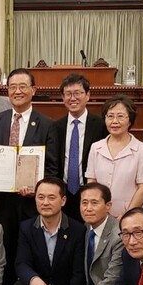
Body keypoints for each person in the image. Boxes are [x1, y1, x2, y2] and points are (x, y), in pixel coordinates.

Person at [0, 67, 59, 285]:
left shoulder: (47, 124)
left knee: (30, 250)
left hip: (32, 202)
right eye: (12, 87)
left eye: (23, 86)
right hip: (2, 200)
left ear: (33, 90)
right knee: (3, 249)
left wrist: (37, 188)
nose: (17, 91)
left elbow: (52, 169)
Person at [86, 95, 143, 219]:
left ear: (130, 120)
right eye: (110, 116)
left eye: (120, 116)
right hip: (99, 216)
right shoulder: (96, 148)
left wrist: (127, 215)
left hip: (131, 217)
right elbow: (92, 182)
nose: (114, 121)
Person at [52, 74, 106, 221]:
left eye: (77, 93)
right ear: (63, 98)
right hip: (63, 192)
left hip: (89, 191)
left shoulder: (100, 125)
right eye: (68, 94)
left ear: (87, 95)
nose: (72, 98)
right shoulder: (56, 126)